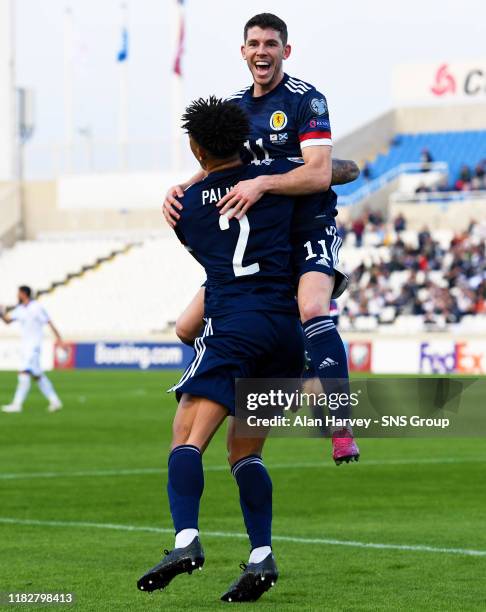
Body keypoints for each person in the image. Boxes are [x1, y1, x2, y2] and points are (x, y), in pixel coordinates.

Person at [164, 13, 360, 464]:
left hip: (307, 225)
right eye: (253, 43)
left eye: (271, 44)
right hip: (261, 241)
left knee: (313, 307)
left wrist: (262, 184)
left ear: (285, 51)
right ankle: (263, 367)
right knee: (185, 327)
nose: (261, 51)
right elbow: (220, 164)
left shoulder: (306, 100)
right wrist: (184, 186)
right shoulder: (235, 108)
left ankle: (339, 420)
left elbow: (317, 173)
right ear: (243, 51)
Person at [137, 97, 306, 602]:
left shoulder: (182, 211)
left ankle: (185, 540)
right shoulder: (277, 179)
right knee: (244, 452)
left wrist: (191, 185)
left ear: (195, 148)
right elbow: (334, 171)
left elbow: (215, 266)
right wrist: (270, 174)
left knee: (186, 436)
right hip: (285, 333)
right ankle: (260, 556)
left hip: (234, 324)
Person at [0, 286, 63, 413]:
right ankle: (55, 401)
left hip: (34, 346)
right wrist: (1, 313)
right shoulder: (20, 309)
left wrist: (59, 338)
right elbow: (8, 321)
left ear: (24, 294)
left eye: (18, 293)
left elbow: (48, 321)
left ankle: (17, 404)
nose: (17, 295)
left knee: (23, 372)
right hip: (26, 346)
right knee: (37, 376)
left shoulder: (36, 307)